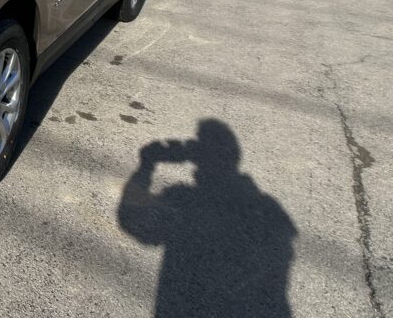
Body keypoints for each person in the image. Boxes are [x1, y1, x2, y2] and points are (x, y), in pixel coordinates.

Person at [118, 120, 296, 317]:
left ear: (198, 156)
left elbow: (132, 219)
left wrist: (147, 164)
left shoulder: (184, 202)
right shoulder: (269, 211)